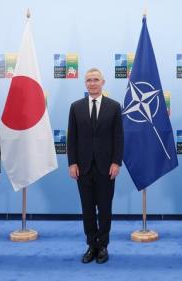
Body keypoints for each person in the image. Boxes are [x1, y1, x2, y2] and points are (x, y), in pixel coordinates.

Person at [67, 68, 123, 264]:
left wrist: (116, 162)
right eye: (89, 80)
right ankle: (92, 245)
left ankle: (103, 246)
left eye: (96, 80)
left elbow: (118, 137)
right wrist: (72, 163)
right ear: (85, 83)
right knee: (88, 209)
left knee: (105, 209)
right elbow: (71, 138)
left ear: (103, 82)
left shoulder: (114, 106)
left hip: (106, 167)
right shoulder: (76, 107)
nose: (92, 83)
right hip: (82, 168)